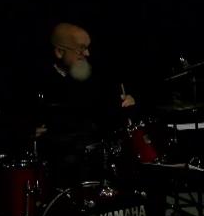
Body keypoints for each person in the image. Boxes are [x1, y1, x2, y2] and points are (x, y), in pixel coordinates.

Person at [34, 22, 137, 188]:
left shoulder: (95, 77)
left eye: (87, 48)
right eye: (81, 49)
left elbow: (110, 114)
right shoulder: (38, 81)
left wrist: (128, 102)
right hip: (56, 166)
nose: (87, 53)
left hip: (96, 161)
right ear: (59, 52)